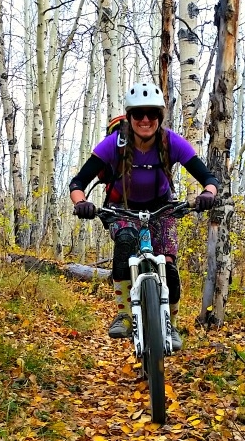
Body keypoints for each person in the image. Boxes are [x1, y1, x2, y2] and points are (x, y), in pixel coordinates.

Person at [69, 82, 219, 351]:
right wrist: (82, 203)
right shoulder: (113, 144)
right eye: (138, 114)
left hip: (162, 208)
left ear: (160, 117)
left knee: (169, 269)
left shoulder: (170, 141)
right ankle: (125, 314)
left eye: (151, 113)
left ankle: (170, 325)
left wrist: (208, 192)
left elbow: (207, 176)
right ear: (129, 117)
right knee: (125, 241)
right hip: (120, 208)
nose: (145, 120)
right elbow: (78, 182)